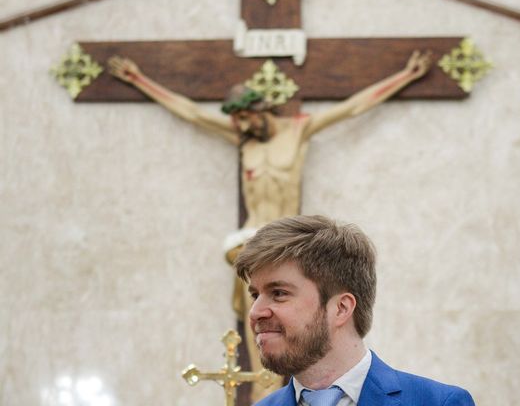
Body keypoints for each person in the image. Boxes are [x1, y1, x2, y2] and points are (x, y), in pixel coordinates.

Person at [108, 51, 432, 401]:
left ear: (262, 110)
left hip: (287, 242)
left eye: (248, 118)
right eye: (239, 121)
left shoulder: (298, 130)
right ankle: (264, 386)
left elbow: (353, 107)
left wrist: (405, 76)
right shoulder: (243, 138)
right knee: (265, 325)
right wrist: (137, 79)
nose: (243, 127)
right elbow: (191, 112)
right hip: (248, 241)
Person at [234, 215, 476, 406]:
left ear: (341, 308)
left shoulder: (438, 403)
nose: (255, 312)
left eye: (278, 293)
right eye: (255, 295)